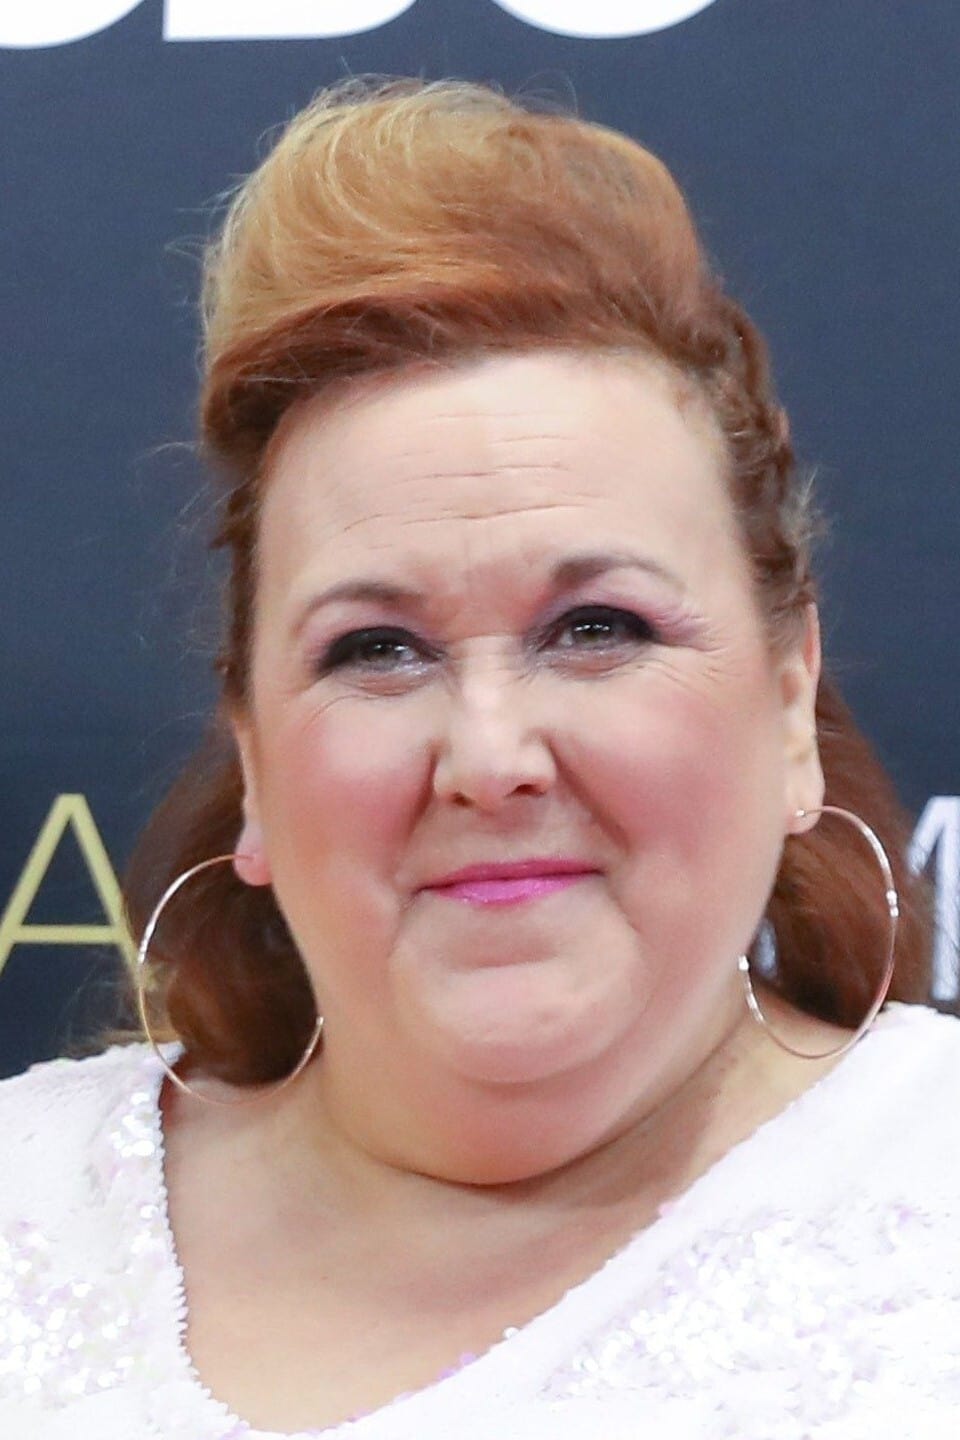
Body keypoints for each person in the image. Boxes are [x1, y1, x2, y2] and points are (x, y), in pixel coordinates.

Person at [1, 78, 957, 1440]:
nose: (490, 756)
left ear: (790, 698)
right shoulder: (27, 1198)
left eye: (597, 628)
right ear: (254, 759)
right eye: (376, 649)